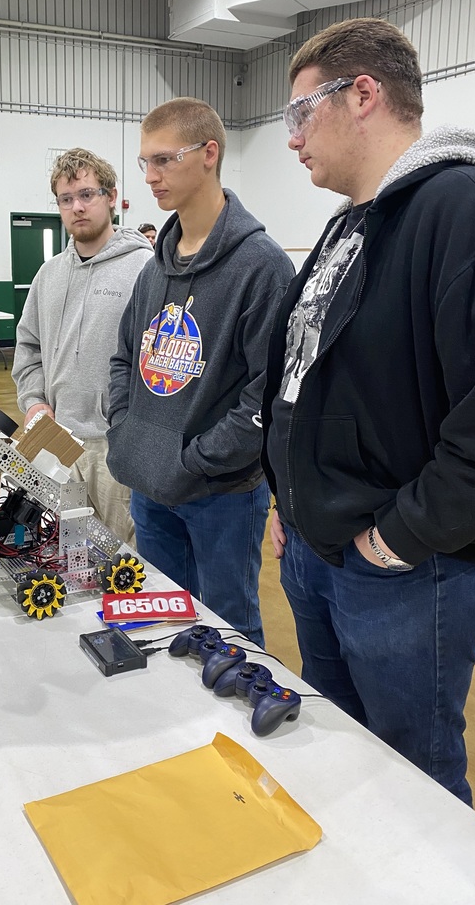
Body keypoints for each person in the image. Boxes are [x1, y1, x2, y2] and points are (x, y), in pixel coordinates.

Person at [260, 17, 475, 805]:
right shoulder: (347, 225)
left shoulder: (461, 206)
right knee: (344, 768)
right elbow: (299, 379)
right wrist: (287, 494)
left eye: (299, 115)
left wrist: (401, 537)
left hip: (402, 572)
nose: (291, 140)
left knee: (415, 789)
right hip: (318, 553)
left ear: (363, 94)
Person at [107, 97, 293, 645]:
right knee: (164, 622)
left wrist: (197, 459)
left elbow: (270, 389)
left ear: (209, 154)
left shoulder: (261, 266)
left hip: (222, 494)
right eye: (144, 163)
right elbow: (124, 357)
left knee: (229, 633)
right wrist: (126, 428)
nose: (150, 177)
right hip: (150, 484)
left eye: (164, 160)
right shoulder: (155, 266)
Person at [12, 149, 152, 544]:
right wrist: (35, 401)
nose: (77, 207)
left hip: (115, 448)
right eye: (66, 199)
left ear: (111, 197)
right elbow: (29, 348)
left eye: (88, 194)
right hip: (58, 443)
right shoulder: (49, 274)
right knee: (68, 555)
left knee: (122, 562)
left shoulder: (144, 268)